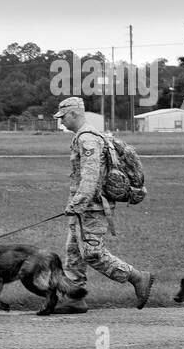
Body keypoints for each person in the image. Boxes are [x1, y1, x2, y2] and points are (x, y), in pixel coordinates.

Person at [51, 97, 154, 314]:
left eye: (63, 117)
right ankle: (74, 298)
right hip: (84, 208)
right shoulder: (84, 136)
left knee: (92, 253)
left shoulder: (88, 139)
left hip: (92, 208)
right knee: (73, 252)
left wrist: (77, 204)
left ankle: (137, 277)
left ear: (74, 114)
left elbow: (90, 176)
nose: (61, 122)